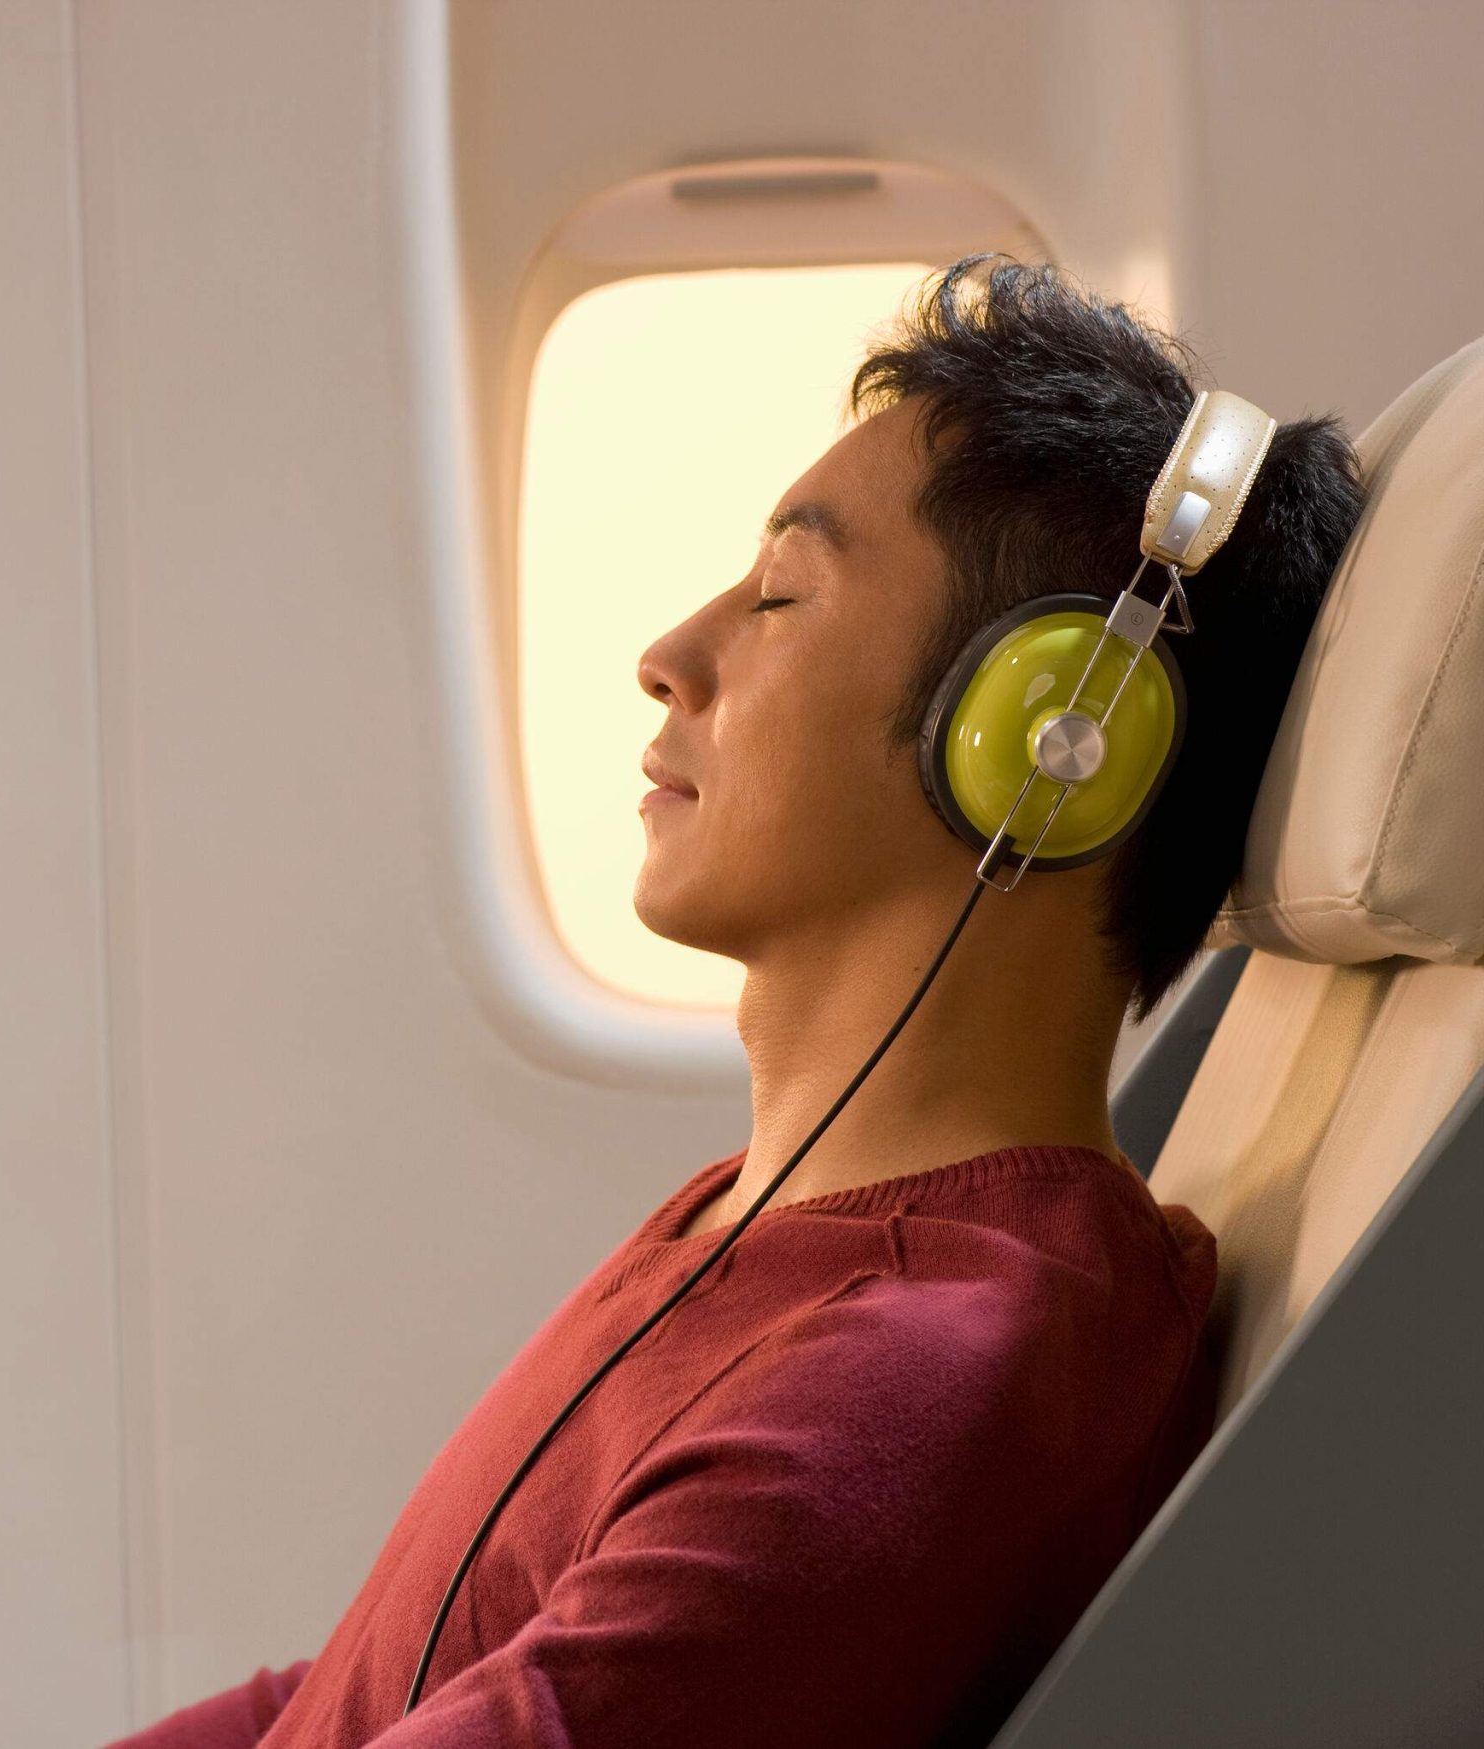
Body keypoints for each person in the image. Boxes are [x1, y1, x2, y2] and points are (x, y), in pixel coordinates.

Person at [99, 254, 1366, 1749]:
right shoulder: (759, 1229)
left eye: (779, 594)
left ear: (1047, 732)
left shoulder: (914, 1384)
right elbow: (368, 1677)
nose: (668, 657)